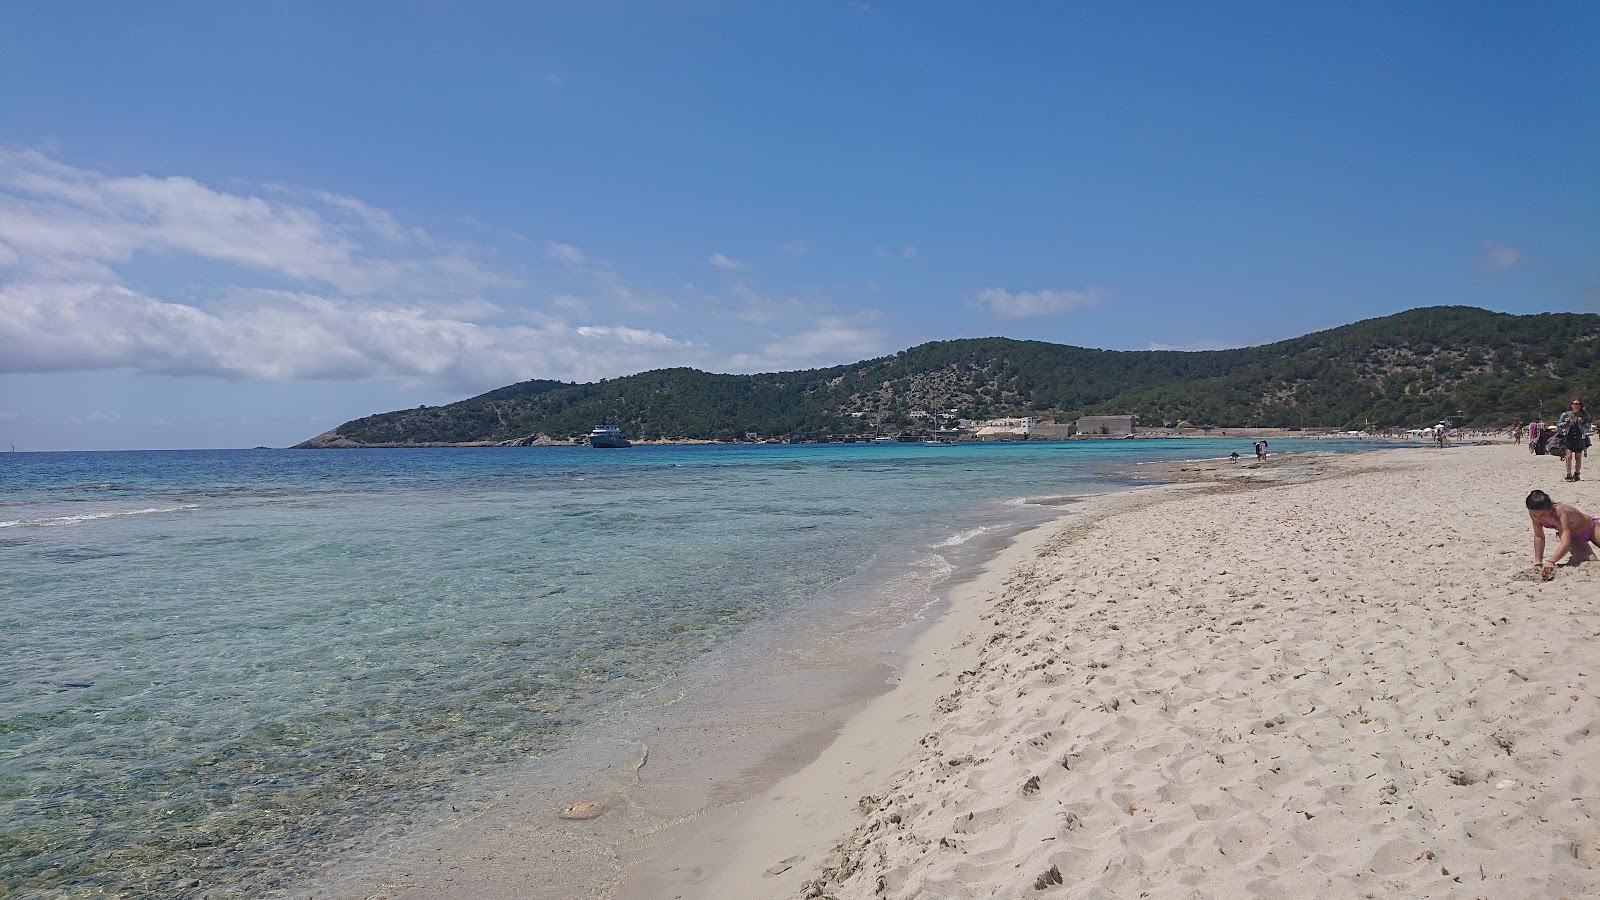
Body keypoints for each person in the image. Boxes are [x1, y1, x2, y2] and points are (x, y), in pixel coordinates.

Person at [1526, 490, 1600, 577]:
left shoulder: (1560, 513)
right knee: (1591, 563)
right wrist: (1538, 561)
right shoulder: (1534, 513)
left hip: (1591, 528)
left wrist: (1551, 561)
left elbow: (1566, 544)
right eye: (1535, 515)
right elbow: (1539, 536)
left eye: (1543, 515)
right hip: (1574, 538)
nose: (1539, 518)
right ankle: (1575, 558)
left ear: (1550, 509)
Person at [1555, 399, 1591, 481]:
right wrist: (1565, 423)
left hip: (1579, 437)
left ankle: (1577, 473)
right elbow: (1559, 425)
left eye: (1579, 404)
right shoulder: (1566, 414)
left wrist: (1582, 422)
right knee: (1569, 456)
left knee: (1578, 457)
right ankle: (1568, 474)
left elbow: (1588, 426)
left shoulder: (1583, 415)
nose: (1577, 405)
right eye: (1575, 404)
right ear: (1571, 405)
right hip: (1568, 437)